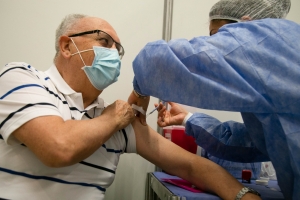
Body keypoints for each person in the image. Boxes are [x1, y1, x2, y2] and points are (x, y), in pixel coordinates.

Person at [0, 14, 260, 200]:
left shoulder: (120, 122)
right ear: (67, 46)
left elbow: (193, 166)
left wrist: (243, 195)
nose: (114, 54)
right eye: (105, 42)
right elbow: (58, 146)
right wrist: (112, 119)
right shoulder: (21, 78)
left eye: (119, 49)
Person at [128, 0, 300, 199]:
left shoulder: (263, 42)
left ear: (246, 24)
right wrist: (187, 119)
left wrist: (139, 94)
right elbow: (256, 142)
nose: (216, 44)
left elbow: (154, 64)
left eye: (219, 35)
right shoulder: (286, 49)